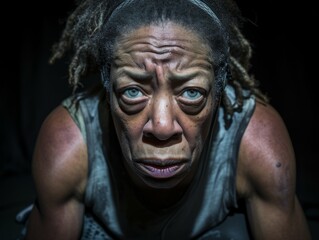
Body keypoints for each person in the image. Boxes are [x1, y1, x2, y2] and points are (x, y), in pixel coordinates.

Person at [19, 0, 311, 239]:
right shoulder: (70, 144)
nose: (161, 127)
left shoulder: (256, 142)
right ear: (106, 90)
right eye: (132, 91)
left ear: (219, 92)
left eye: (192, 93)